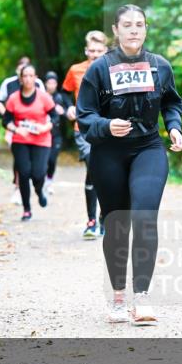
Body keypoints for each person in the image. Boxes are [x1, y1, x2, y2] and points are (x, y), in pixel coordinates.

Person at [76, 5, 182, 325]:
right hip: (108, 152)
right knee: (117, 224)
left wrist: (175, 126)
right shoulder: (99, 69)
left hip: (148, 147)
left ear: (146, 30)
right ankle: (119, 297)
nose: (134, 30)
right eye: (128, 25)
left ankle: (143, 297)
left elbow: (171, 102)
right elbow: (85, 117)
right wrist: (106, 126)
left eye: (140, 25)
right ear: (116, 30)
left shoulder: (160, 66)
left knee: (145, 216)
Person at [63, 30, 108, 239]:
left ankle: (104, 217)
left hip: (108, 129)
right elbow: (63, 93)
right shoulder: (75, 70)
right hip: (83, 129)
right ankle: (91, 221)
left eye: (99, 51)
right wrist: (68, 108)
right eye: (92, 51)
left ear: (106, 50)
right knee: (93, 163)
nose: (95, 54)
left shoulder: (115, 70)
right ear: (86, 50)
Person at [4, 64, 58, 221]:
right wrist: (15, 129)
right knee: (24, 173)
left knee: (38, 174)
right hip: (20, 140)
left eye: (30, 76)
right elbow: (6, 120)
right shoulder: (14, 98)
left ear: (35, 78)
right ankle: (26, 209)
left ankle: (39, 191)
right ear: (21, 79)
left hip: (41, 140)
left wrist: (44, 127)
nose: (28, 79)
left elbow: (54, 117)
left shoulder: (44, 97)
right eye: (25, 76)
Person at [0, 57, 45, 205]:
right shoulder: (8, 83)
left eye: (29, 71)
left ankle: (37, 185)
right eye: (22, 70)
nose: (27, 77)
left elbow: (45, 102)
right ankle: (18, 187)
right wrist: (8, 116)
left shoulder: (38, 84)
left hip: (36, 129)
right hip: (15, 128)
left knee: (36, 166)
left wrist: (43, 125)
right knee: (19, 160)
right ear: (18, 71)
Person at [43, 71, 71, 195]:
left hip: (56, 134)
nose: (52, 85)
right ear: (45, 83)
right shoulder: (40, 96)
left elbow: (69, 114)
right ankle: (42, 180)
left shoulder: (60, 97)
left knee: (52, 159)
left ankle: (49, 181)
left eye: (54, 83)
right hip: (42, 133)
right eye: (49, 82)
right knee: (44, 159)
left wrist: (63, 112)